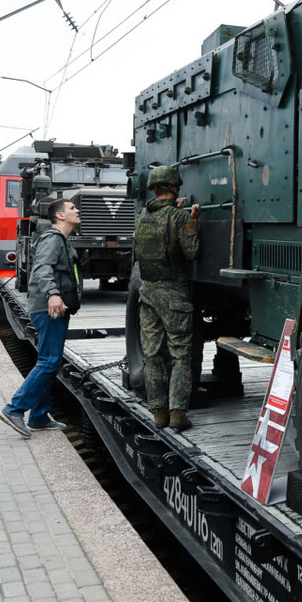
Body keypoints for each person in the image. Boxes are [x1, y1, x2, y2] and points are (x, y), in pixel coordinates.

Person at [0, 198, 81, 437]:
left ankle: (39, 416)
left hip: (54, 307)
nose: (77, 210)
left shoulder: (60, 239)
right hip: (49, 308)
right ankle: (14, 409)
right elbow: (42, 268)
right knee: (49, 361)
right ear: (60, 215)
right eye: (72, 208)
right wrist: (53, 294)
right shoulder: (52, 239)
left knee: (48, 359)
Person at [135, 165, 201, 432]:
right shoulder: (180, 216)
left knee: (152, 356)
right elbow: (192, 252)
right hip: (174, 294)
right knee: (180, 354)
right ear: (175, 188)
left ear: (153, 189)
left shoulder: (141, 215)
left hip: (147, 292)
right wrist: (191, 221)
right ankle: (178, 415)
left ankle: (159, 414)